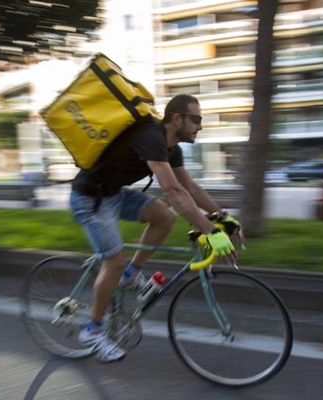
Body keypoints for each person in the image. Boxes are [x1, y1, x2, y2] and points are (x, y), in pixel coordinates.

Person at [69, 94, 242, 362]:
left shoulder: (172, 148)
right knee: (113, 263)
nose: (200, 126)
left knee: (164, 216)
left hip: (114, 195)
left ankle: (132, 274)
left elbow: (189, 188)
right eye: (196, 119)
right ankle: (93, 330)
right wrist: (210, 230)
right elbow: (173, 191)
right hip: (90, 199)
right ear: (176, 118)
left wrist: (222, 216)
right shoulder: (151, 137)